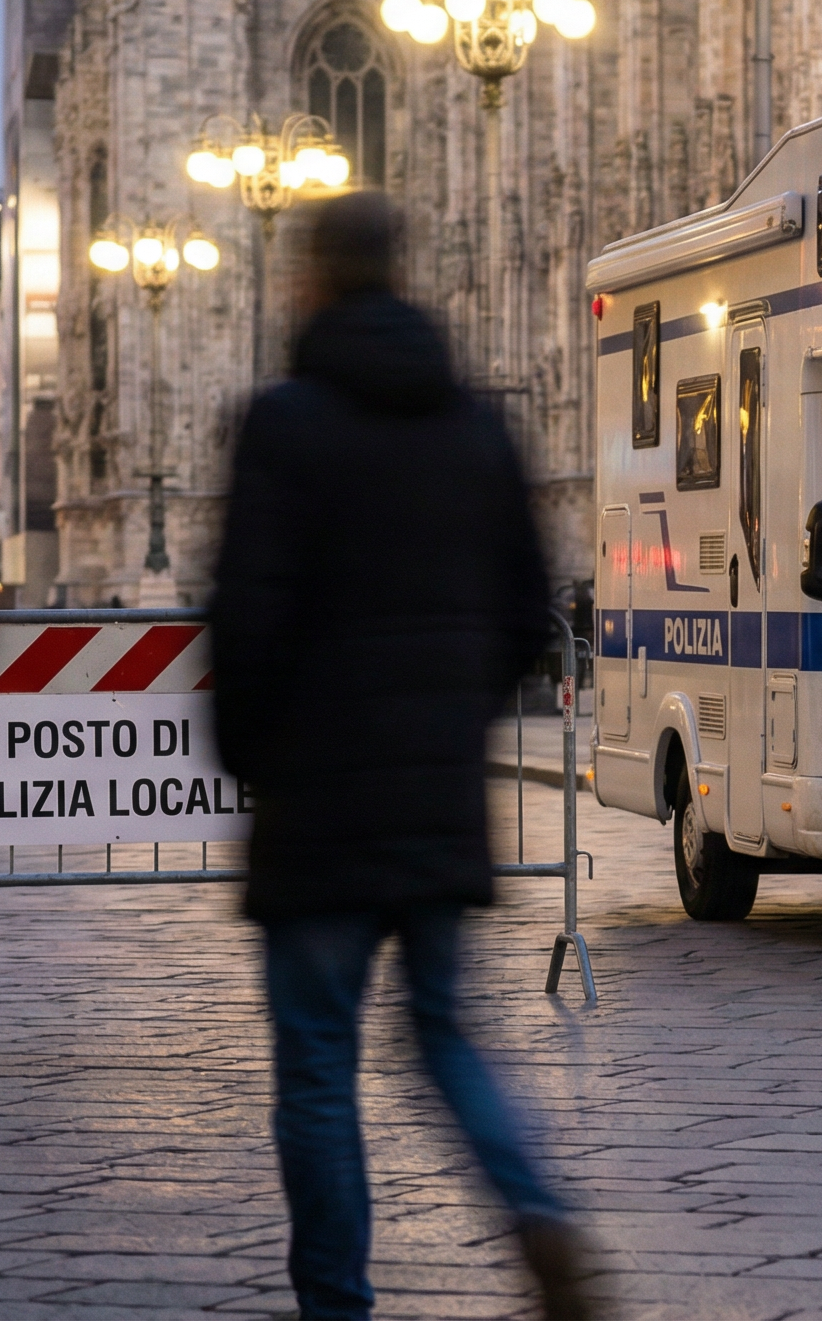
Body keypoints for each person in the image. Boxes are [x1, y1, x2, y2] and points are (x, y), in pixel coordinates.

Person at [209, 192, 592, 1321]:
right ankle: (536, 1208)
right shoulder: (476, 424)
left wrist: (253, 754)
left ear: (310, 279)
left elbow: (247, 617)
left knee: (318, 1068)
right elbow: (529, 611)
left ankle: (336, 1304)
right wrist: (452, 719)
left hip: (316, 804)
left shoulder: (282, 422)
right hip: (435, 797)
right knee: (443, 1036)